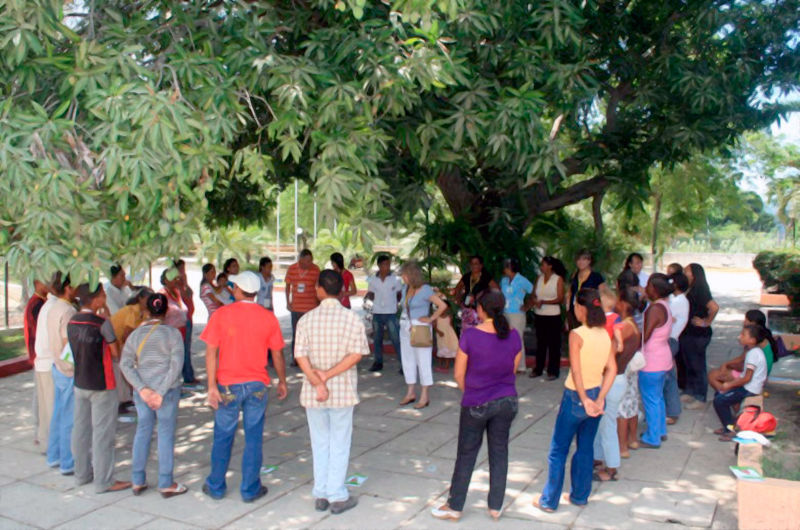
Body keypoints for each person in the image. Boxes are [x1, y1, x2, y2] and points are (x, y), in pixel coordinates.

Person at [431, 292, 522, 522]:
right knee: (499, 451)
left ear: (481, 309)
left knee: (467, 453)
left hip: (477, 401)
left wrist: (472, 391)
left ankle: (455, 505)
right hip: (506, 401)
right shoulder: (513, 336)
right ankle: (496, 506)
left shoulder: (471, 336)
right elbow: (513, 369)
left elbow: (459, 374)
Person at [201, 271, 287, 502]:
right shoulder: (268, 317)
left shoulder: (221, 315)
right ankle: (250, 489)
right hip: (257, 384)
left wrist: (211, 386)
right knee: (253, 437)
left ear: (237, 289)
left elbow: (211, 352)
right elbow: (277, 354)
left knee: (223, 436)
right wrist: (282, 380)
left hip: (228, 385)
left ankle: (216, 485)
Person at [534, 288, 616, 512]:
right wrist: (599, 398)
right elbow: (612, 369)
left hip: (575, 397)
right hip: (596, 395)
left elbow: (576, 372)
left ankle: (549, 500)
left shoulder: (577, 334)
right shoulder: (604, 334)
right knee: (586, 447)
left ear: (581, 308)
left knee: (558, 449)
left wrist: (585, 399)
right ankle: (580, 496)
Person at [295, 270, 369, 515]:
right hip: (342, 391)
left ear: (319, 289)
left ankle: (322, 492)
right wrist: (326, 376)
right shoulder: (352, 319)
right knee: (339, 441)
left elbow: (300, 355)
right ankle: (337, 495)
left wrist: (317, 381)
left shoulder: (306, 319)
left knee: (319, 442)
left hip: (314, 393)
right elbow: (356, 354)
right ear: (341, 290)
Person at [120, 293, 187, 498]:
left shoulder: (136, 335)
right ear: (166, 311)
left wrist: (142, 389)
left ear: (147, 311)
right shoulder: (173, 335)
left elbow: (126, 364)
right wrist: (160, 392)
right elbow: (176, 366)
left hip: (144, 393)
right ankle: (166, 482)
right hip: (166, 392)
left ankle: (138, 480)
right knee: (165, 434)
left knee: (143, 432)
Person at [69, 283, 130, 493]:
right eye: (102, 295)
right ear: (95, 299)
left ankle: (81, 474)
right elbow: (115, 353)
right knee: (102, 434)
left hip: (80, 382)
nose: (104, 297)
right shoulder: (101, 323)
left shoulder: (72, 320)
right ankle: (104, 481)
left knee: (81, 429)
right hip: (102, 384)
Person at [593, 289, 636, 480]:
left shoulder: (620, 328)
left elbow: (608, 356)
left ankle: (611, 467)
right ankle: (599, 458)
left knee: (607, 424)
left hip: (612, 378)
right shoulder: (632, 325)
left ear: (625, 304)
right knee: (604, 422)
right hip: (620, 377)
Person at [34, 272, 76, 448]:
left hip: (44, 361)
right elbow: (64, 342)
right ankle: (55, 447)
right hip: (53, 362)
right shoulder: (62, 309)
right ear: (66, 288)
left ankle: (47, 444)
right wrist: (70, 366)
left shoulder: (49, 306)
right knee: (55, 411)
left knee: (46, 409)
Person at [398, 261, 448, 409]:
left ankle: (425, 395)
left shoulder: (425, 290)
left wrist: (431, 318)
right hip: (406, 326)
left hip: (420, 328)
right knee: (408, 360)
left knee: (423, 360)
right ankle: (410, 392)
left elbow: (442, 305)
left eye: (404, 275)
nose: (402, 277)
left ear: (411, 275)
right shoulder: (406, 288)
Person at [712, 325, 768, 442]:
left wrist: (730, 384)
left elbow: (747, 378)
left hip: (749, 389)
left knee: (720, 401)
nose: (739, 337)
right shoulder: (753, 351)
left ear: (752, 340)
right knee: (719, 394)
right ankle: (729, 425)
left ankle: (730, 430)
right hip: (747, 386)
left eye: (743, 335)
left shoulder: (754, 354)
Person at [638, 274, 673, 449]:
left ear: (655, 289)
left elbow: (646, 334)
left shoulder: (655, 309)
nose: (646, 289)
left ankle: (652, 437)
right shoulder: (665, 305)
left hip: (652, 361)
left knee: (650, 398)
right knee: (657, 397)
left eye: (648, 286)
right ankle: (660, 430)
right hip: (662, 358)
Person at [679, 263, 719, 408]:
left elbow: (714, 307)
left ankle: (700, 396)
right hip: (688, 333)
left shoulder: (700, 290)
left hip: (698, 334)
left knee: (698, 364)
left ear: (695, 274)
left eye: (687, 271)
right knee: (689, 363)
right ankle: (690, 391)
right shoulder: (689, 288)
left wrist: (705, 322)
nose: (685, 273)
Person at [708, 310, 778, 388]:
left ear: (753, 324)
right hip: (755, 374)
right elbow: (742, 358)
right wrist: (727, 364)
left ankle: (724, 394)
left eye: (746, 320)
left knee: (713, 375)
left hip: (754, 378)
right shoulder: (760, 339)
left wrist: (729, 366)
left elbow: (746, 369)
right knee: (722, 370)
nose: (744, 322)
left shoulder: (756, 345)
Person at [109, 286, 152, 410]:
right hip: (115, 342)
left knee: (125, 371)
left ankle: (128, 398)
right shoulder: (132, 311)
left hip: (122, 343)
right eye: (148, 298)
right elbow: (126, 335)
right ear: (140, 298)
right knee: (123, 370)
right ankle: (124, 400)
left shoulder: (143, 313)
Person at [614, 281, 643, 459]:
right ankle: (633, 439)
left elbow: (616, 349)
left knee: (622, 411)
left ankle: (622, 446)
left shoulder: (624, 327)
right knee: (632, 406)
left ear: (624, 304)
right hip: (631, 372)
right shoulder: (634, 324)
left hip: (622, 371)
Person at [365, 254, 403, 372]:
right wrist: (368, 300)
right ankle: (378, 362)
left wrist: (395, 303)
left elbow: (399, 294)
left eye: (388, 264)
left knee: (395, 338)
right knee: (377, 339)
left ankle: (403, 364)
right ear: (379, 265)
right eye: (385, 264)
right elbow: (370, 293)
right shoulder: (373, 279)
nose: (387, 267)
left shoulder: (395, 279)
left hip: (391, 312)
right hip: (377, 312)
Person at [531, 256, 566, 380]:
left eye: (543, 264)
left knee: (553, 344)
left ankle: (553, 370)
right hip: (539, 314)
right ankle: (538, 369)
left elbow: (560, 298)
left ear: (550, 266)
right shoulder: (539, 278)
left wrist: (545, 302)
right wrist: (535, 300)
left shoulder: (558, 279)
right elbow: (534, 294)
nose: (541, 267)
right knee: (540, 343)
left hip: (553, 315)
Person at [285, 249, 321, 367]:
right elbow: (288, 286)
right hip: (296, 307)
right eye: (307, 261)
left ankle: (311, 359)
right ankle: (296, 359)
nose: (309, 263)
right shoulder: (291, 269)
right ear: (300, 259)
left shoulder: (316, 269)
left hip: (311, 308)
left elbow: (318, 287)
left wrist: (319, 303)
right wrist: (288, 302)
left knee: (310, 335)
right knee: (296, 334)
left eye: (311, 261)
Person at [24, 279, 48, 445]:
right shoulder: (36, 304)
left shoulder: (41, 302)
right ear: (38, 283)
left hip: (39, 355)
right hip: (39, 355)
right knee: (40, 396)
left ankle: (40, 430)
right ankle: (39, 431)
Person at [500, 257, 533, 372]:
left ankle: (520, 366)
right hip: (505, 312)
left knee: (517, 339)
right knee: (505, 339)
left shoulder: (522, 280)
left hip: (517, 314)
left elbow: (533, 292)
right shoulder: (504, 280)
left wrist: (527, 306)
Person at [664, 272, 689, 424]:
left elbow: (665, 317)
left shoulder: (679, 302)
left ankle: (671, 412)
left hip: (670, 340)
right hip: (670, 340)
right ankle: (671, 410)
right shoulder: (676, 299)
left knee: (668, 378)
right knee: (669, 376)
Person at [453, 255, 497, 331]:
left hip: (480, 309)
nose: (474, 266)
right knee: (467, 331)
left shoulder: (485, 277)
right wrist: (458, 299)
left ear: (481, 265)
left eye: (476, 264)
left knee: (480, 331)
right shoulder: (467, 276)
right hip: (467, 309)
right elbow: (457, 288)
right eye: (472, 264)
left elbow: (496, 289)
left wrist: (483, 296)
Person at [566, 249, 606, 329]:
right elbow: (569, 294)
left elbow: (603, 296)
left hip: (590, 313)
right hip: (574, 312)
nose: (581, 262)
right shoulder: (574, 275)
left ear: (589, 261)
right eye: (579, 259)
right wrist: (567, 314)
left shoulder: (596, 277)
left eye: (584, 259)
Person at [174, 259, 199, 387]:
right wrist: (182, 283)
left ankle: (188, 374)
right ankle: (187, 376)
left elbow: (190, 294)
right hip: (183, 319)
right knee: (184, 349)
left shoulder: (183, 282)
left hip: (188, 316)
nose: (183, 271)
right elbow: (183, 296)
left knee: (187, 348)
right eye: (181, 269)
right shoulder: (177, 284)